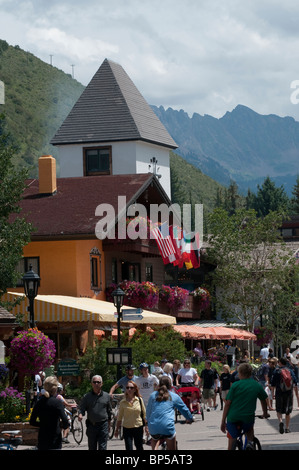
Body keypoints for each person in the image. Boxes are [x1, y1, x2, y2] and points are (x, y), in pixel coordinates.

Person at [220, 362, 269, 450]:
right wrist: (265, 413)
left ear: (240, 374)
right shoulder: (256, 385)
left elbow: (227, 403)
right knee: (249, 429)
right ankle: (250, 443)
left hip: (233, 417)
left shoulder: (235, 385)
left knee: (232, 438)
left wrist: (223, 421)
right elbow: (263, 400)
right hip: (248, 417)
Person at [146, 376, 193, 450]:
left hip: (153, 427)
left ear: (159, 385)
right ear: (171, 386)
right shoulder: (174, 396)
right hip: (167, 427)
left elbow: (148, 412)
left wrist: (147, 424)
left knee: (154, 438)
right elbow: (184, 410)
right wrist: (189, 418)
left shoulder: (152, 396)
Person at [30, 376, 70, 450]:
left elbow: (32, 421)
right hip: (55, 439)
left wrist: (43, 424)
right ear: (55, 389)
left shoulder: (39, 403)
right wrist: (61, 425)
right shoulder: (57, 403)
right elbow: (65, 421)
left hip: (43, 439)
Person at [78, 375, 112, 450]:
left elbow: (109, 411)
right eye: (94, 382)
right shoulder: (87, 397)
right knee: (92, 447)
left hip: (103, 425)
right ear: (92, 384)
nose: (96, 384)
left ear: (101, 384)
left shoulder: (106, 396)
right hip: (92, 426)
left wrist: (109, 424)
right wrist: (80, 414)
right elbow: (82, 409)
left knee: (102, 447)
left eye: (98, 382)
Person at [114, 380, 147, 450]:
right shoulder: (123, 402)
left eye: (131, 388)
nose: (129, 389)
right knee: (129, 448)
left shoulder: (139, 400)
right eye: (127, 387)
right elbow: (119, 417)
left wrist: (146, 427)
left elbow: (144, 415)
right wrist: (117, 429)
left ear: (135, 389)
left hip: (138, 427)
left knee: (139, 447)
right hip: (127, 428)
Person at [270, 357, 297, 434]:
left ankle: (281, 421)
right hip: (289, 393)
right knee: (288, 411)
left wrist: (272, 394)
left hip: (279, 392)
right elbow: (295, 381)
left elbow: (273, 384)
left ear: (280, 363)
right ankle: (287, 428)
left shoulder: (277, 371)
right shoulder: (290, 371)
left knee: (279, 409)